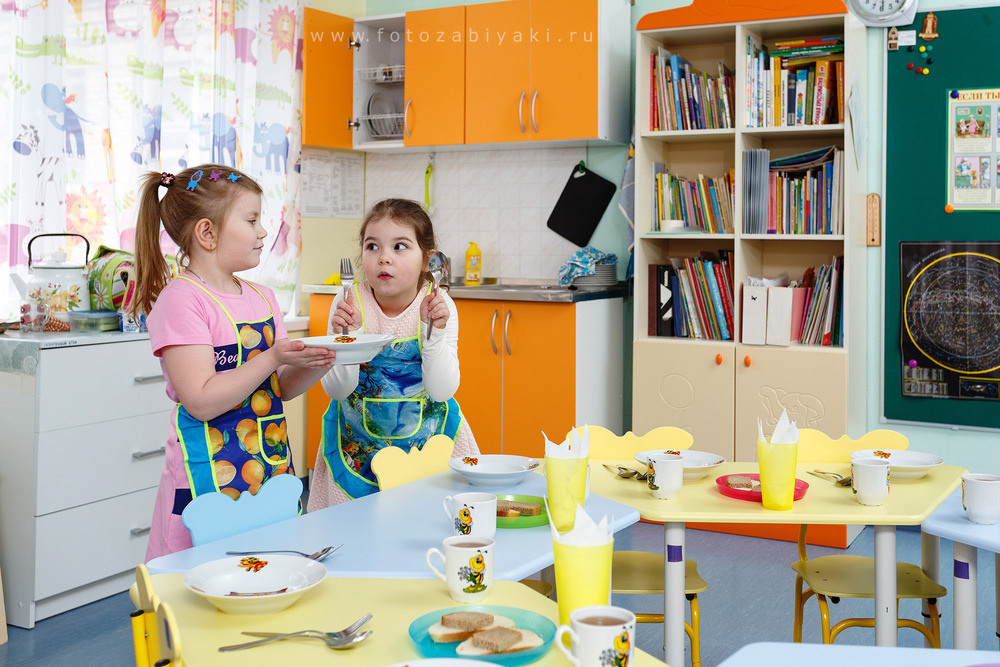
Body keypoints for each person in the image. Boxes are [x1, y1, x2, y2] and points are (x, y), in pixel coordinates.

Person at [130, 164, 336, 560]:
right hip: (205, 478)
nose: (263, 232)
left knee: (271, 571)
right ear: (207, 233)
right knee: (199, 580)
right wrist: (272, 356)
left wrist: (325, 357)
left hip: (267, 471)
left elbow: (281, 388)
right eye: (252, 220)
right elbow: (201, 400)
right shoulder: (182, 300)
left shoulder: (263, 297)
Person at [308, 198, 479, 509]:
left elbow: (442, 391)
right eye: (372, 246)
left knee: (423, 522)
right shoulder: (348, 302)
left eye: (399, 246)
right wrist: (348, 339)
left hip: (427, 441)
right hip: (356, 444)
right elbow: (336, 390)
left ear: (427, 261)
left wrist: (433, 333)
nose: (383, 258)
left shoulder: (439, 305)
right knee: (352, 527)